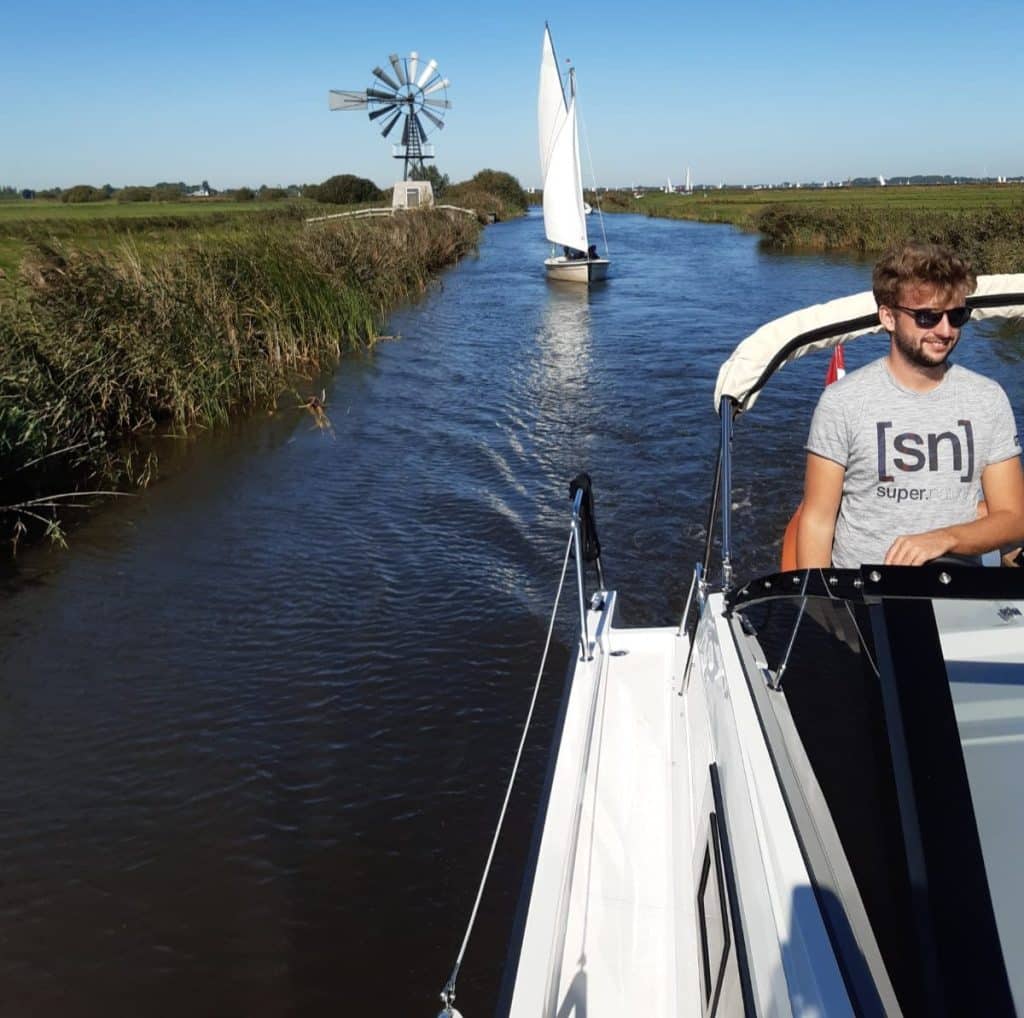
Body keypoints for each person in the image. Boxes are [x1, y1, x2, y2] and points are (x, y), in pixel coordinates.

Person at [796, 241, 1024, 568]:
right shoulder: (842, 403)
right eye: (927, 317)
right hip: (867, 601)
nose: (945, 331)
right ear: (888, 317)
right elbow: (817, 521)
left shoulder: (988, 399)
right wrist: (822, 612)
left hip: (957, 594)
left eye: (957, 316)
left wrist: (945, 539)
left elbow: (1013, 517)